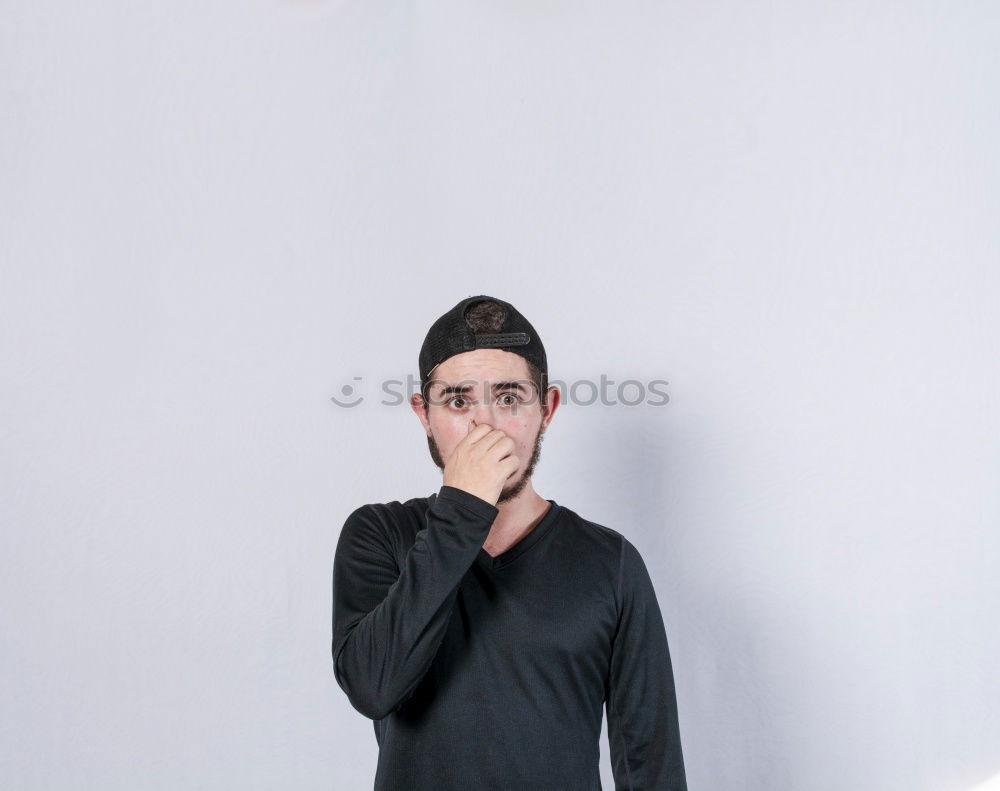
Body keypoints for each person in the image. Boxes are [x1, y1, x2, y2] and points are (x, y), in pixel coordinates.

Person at [330, 295, 688, 790]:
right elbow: (372, 687)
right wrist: (462, 508)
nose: (486, 425)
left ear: (546, 409)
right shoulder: (379, 536)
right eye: (458, 401)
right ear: (423, 415)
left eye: (509, 397)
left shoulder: (611, 563)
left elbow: (652, 765)